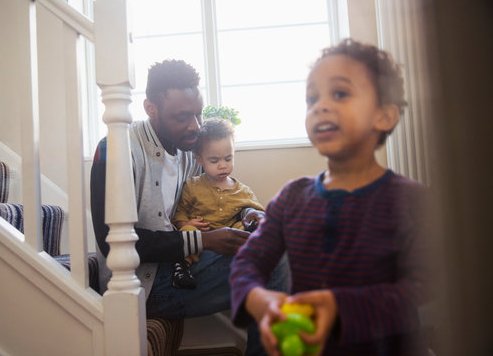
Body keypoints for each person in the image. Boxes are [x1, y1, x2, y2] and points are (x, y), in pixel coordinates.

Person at [229, 39, 431, 355]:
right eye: (312, 98)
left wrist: (339, 307)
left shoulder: (412, 201)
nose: (320, 106)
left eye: (339, 93)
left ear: (384, 116)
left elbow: (423, 287)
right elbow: (248, 260)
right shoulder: (292, 197)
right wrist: (259, 298)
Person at [90, 59, 289, 355]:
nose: (195, 126)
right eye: (182, 116)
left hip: (179, 265)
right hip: (142, 284)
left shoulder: (186, 152)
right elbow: (112, 243)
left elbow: (217, 198)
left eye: (198, 113)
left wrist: (250, 214)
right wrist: (205, 240)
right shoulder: (116, 148)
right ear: (150, 108)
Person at [171, 118, 265, 289]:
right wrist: (186, 223)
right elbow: (180, 212)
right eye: (214, 161)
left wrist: (256, 219)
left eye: (228, 159)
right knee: (186, 233)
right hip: (201, 238)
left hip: (229, 240)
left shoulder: (242, 191)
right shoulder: (192, 186)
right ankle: (182, 268)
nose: (223, 166)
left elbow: (256, 211)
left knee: (244, 229)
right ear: (199, 160)